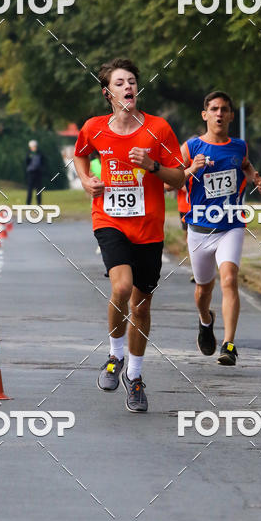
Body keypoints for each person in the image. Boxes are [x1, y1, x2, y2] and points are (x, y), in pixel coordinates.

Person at [73, 58, 185, 413]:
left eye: (132, 81)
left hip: (149, 228)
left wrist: (151, 166)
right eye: (120, 83)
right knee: (121, 287)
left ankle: (134, 378)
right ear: (108, 93)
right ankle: (114, 355)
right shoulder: (94, 127)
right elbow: (80, 155)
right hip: (109, 220)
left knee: (141, 304)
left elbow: (180, 179)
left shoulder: (158, 129)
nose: (128, 87)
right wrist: (86, 179)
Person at [182, 91, 261, 366]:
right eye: (214, 109)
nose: (219, 114)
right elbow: (169, 180)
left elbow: (244, 165)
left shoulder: (239, 145)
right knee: (203, 292)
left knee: (229, 279)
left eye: (224, 109)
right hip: (199, 229)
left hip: (231, 224)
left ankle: (229, 344)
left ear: (231, 115)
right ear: (205, 115)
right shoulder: (192, 147)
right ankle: (206, 321)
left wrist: (254, 177)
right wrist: (190, 169)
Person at [24, 139, 45, 204]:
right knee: (30, 189)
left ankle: (39, 203)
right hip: (31, 173)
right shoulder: (28, 154)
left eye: (35, 146)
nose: (34, 148)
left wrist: (42, 169)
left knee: (39, 189)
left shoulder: (40, 154)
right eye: (33, 146)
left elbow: (43, 162)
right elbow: (26, 163)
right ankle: (28, 203)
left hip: (38, 173)